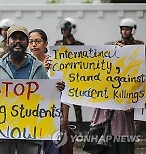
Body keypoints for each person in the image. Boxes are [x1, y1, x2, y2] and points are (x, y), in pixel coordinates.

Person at [0, 25, 65, 154]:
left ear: (27, 42)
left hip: (30, 132)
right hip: (1, 132)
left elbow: (48, 99)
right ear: (7, 41)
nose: (17, 41)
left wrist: (57, 90)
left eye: (22, 38)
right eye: (14, 38)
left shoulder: (38, 68)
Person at [90, 18, 144, 154]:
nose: (124, 31)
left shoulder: (139, 47)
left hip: (126, 113)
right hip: (106, 119)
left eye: (127, 29)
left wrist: (135, 102)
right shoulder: (101, 76)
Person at [29, 29, 73, 154]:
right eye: (31, 41)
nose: (34, 45)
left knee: (53, 150)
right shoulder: (25, 65)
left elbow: (65, 93)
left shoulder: (57, 64)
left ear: (46, 43)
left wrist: (65, 120)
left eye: (37, 41)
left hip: (54, 116)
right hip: (31, 115)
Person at [55, 17, 84, 133]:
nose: (64, 32)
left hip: (76, 78)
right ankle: (62, 126)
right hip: (62, 78)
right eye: (62, 29)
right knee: (62, 105)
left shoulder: (80, 45)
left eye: (66, 29)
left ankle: (80, 128)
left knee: (77, 106)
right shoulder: (58, 44)